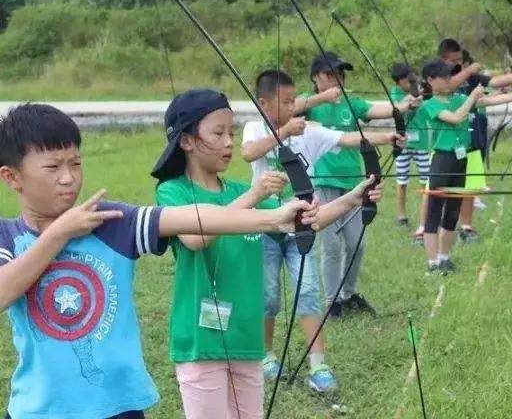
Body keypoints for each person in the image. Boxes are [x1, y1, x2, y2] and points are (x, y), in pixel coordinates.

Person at [0, 103, 323, 419]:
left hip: (120, 405)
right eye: (53, 167)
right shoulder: (7, 236)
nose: (69, 178)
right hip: (40, 408)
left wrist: (274, 219)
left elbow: (192, 218)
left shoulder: (111, 221)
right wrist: (58, 234)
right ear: (12, 177)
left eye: (76, 164)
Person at [151, 89, 385, 418]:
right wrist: (256, 194)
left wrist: (354, 198)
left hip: (248, 340)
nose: (229, 142)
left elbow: (301, 222)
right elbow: (195, 236)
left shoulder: (237, 192)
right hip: (201, 344)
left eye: (230, 132)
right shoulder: (172, 191)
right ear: (186, 141)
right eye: (217, 133)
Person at [241, 71, 400, 392]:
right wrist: (283, 131)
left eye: (294, 101)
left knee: (309, 291)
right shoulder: (256, 128)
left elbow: (347, 139)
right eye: (285, 102)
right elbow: (248, 153)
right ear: (263, 103)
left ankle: (318, 364)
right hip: (266, 226)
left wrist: (386, 138)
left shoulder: (308, 132)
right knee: (269, 296)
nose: (293, 107)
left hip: (302, 227)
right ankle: (267, 355)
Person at [299, 51, 419, 318]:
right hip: (323, 183)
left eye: (340, 75)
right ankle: (332, 303)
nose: (337, 80)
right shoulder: (309, 105)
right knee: (330, 246)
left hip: (353, 183)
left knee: (357, 243)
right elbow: (288, 107)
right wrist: (321, 97)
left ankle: (348, 294)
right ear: (315, 77)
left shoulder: (351, 102)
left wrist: (406, 104)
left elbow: (380, 109)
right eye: (330, 75)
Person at [421, 59, 512, 274]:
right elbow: (455, 118)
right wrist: (473, 97)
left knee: (453, 212)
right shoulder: (430, 104)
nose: (449, 80)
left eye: (450, 76)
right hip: (442, 161)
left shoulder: (459, 98)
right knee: (434, 213)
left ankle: (444, 257)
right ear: (430, 80)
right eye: (443, 77)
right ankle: (432, 263)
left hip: (460, 160)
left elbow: (490, 101)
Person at [438, 39, 512, 242]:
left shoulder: (471, 78)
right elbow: (448, 87)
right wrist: (467, 71)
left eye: (461, 60)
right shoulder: (437, 77)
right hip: (447, 142)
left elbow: (492, 87)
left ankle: (466, 226)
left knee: (470, 184)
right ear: (443, 59)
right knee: (442, 188)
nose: (458, 64)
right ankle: (430, 227)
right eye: (454, 60)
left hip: (471, 138)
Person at [389, 63, 431, 244]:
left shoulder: (419, 90)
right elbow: (398, 109)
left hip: (421, 142)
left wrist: (423, 94)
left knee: (426, 180)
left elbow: (429, 101)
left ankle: (427, 215)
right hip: (403, 144)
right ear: (398, 82)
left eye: (412, 80)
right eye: (407, 81)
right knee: (402, 180)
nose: (410, 84)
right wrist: (411, 100)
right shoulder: (395, 94)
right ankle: (401, 215)